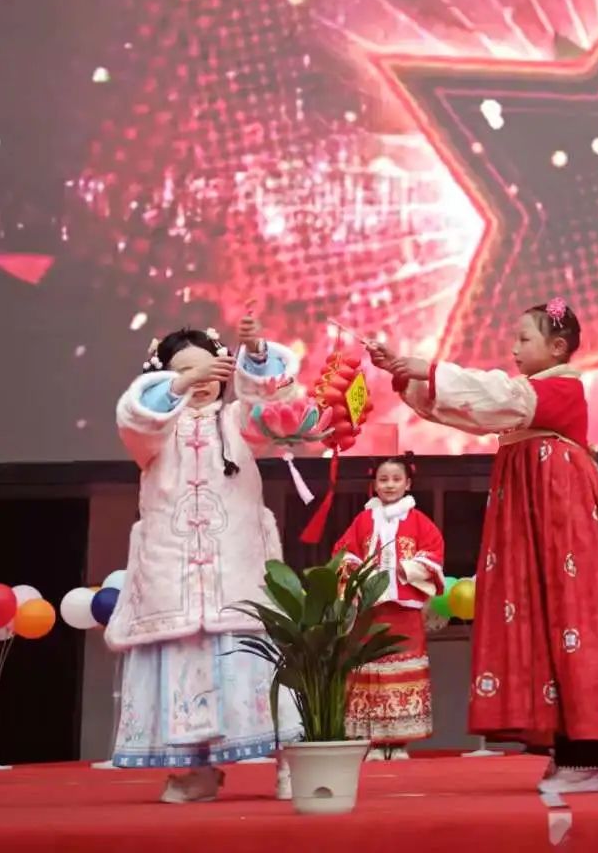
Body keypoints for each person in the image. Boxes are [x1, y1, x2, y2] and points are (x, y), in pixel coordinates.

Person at [367, 298, 598, 795]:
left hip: (566, 519)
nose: (514, 349)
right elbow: (472, 410)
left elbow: (492, 393)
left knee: (580, 620)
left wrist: (425, 369)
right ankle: (582, 757)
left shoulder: (559, 388)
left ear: (558, 347)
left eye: (524, 339)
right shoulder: (527, 396)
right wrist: (406, 374)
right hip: (537, 519)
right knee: (549, 623)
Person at [108, 313, 307, 803]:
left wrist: (257, 356)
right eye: (184, 372)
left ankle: (293, 765)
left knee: (259, 665)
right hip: (171, 573)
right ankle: (195, 771)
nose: (199, 382)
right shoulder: (154, 431)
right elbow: (135, 417)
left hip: (237, 569)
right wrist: (183, 383)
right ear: (162, 379)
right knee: (183, 665)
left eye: (207, 371)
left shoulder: (237, 420)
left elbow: (275, 409)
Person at [333, 455, 446, 757]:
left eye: (396, 479)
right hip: (370, 612)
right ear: (374, 484)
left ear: (408, 483)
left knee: (402, 669)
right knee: (368, 670)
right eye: (383, 479)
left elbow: (434, 553)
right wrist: (358, 571)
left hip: (403, 611)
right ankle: (371, 741)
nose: (390, 485)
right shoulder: (363, 520)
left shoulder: (420, 521)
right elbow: (343, 552)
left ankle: (398, 742)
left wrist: (404, 569)